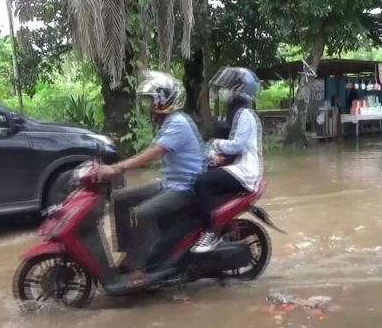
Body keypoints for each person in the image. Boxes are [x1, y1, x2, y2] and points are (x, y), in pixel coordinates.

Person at [96, 70, 206, 285]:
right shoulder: (167, 122)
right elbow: (153, 152)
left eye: (151, 100)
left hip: (185, 188)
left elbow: (154, 152)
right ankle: (130, 255)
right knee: (119, 197)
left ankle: (139, 266)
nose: (148, 105)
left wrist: (117, 168)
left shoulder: (178, 123)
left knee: (143, 213)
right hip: (169, 183)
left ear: (163, 100)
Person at [191, 67, 263, 253]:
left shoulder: (245, 115)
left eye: (228, 87)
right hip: (235, 166)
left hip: (244, 171)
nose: (224, 90)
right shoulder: (232, 114)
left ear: (239, 90)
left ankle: (209, 233)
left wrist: (216, 144)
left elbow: (239, 145)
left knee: (202, 182)